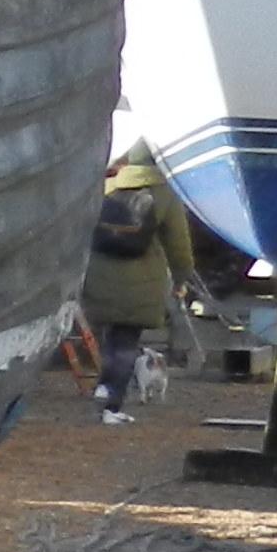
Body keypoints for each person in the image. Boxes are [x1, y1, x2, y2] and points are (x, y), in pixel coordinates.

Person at [79, 142, 202, 423]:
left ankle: (103, 386)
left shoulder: (108, 188)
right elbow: (179, 247)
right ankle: (112, 406)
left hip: (99, 278)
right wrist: (182, 277)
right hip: (141, 284)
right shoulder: (164, 195)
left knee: (112, 338)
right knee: (126, 344)